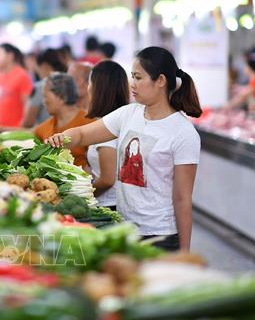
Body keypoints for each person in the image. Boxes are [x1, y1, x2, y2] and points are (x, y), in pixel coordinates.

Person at [46, 46, 202, 252]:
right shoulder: (128, 114)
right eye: (132, 77)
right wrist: (62, 138)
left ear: (161, 81)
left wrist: (184, 251)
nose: (132, 84)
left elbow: (182, 199)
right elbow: (83, 134)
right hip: (124, 227)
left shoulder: (183, 133)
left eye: (138, 77)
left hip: (160, 234)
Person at [85, 61, 129, 210]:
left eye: (90, 82)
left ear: (98, 89)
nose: (87, 88)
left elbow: (108, 179)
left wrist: (81, 194)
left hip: (109, 206)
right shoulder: (117, 120)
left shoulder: (108, 128)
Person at [34, 73, 95, 168]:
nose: (44, 101)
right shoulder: (47, 125)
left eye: (46, 96)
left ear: (62, 97)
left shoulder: (90, 124)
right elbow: (29, 132)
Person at [23, 48, 68, 128]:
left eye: (37, 67)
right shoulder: (70, 83)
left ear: (44, 66)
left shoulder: (40, 87)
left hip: (47, 134)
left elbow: (28, 123)